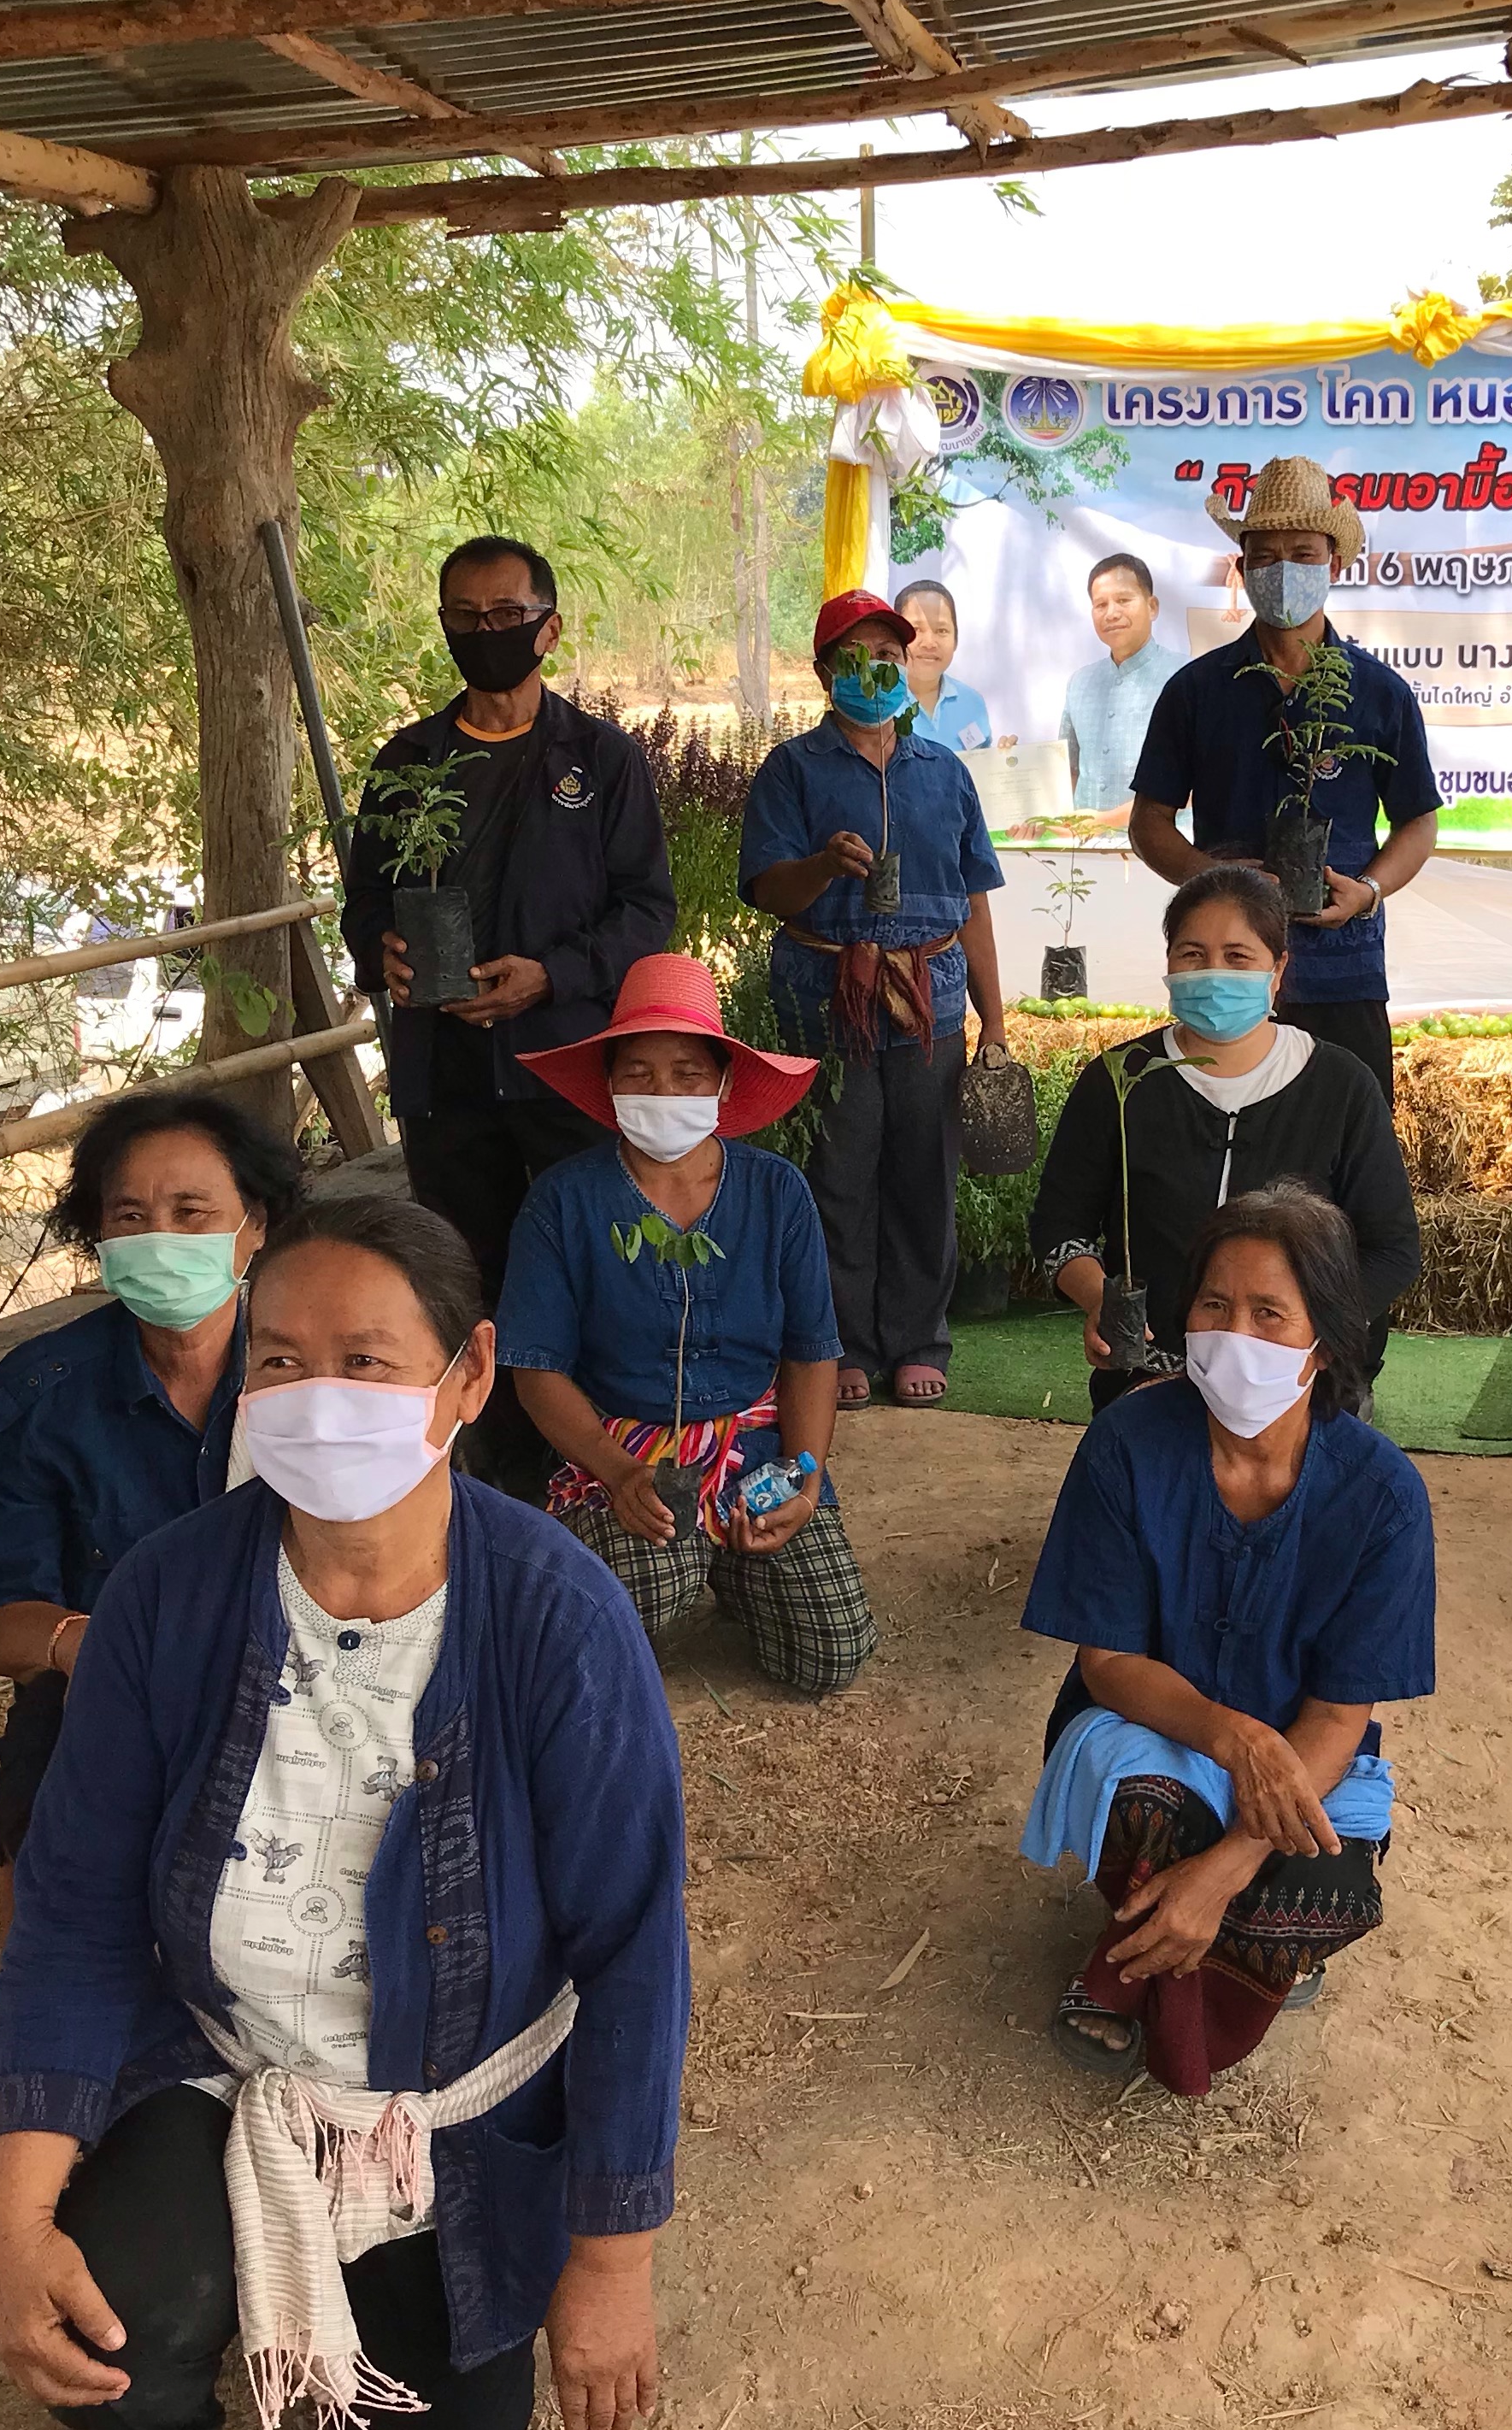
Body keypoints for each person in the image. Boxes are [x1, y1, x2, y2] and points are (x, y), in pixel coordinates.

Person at [0, 1195, 685, 2430]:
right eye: (282, 1361)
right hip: (226, 2059)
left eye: (368, 1363)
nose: (317, 1398)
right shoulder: (164, 1597)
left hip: (453, 2116)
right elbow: (69, 1910)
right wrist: (12, 2211)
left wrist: (613, 2257)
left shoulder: (558, 1616)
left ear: (468, 1375)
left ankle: (379, 2276)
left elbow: (636, 1952)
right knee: (109, 2312)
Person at [1017, 1185, 1434, 2098]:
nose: (1232, 1333)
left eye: (1268, 1313)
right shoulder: (1126, 1444)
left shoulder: (1383, 1496)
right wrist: (1234, 1737)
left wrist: (1228, 1867)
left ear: (1324, 1340)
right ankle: (1172, 1979)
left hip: (1307, 1756)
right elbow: (1110, 1663)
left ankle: (1154, 1955)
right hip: (1151, 1728)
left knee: (1322, 1887)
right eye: (1214, 1304)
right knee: (1152, 1807)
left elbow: (1336, 1711)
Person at [342, 533, 674, 1487]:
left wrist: (555, 977)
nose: (485, 634)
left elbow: (649, 911)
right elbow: (364, 904)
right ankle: (487, 1482)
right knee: (461, 1275)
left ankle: (606, 1475)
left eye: (506, 617)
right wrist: (386, 953)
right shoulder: (409, 764)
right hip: (444, 1077)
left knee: (584, 1264)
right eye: (465, 619)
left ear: (549, 628)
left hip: (565, 1066)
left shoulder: (601, 761)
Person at [0, 1086, 303, 1943]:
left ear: (253, 1226)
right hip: (105, 1688)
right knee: (48, 1805)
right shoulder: (30, 1402)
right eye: (131, 1216)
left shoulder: (316, 1375)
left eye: (192, 1213)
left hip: (304, 1674)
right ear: (98, 1240)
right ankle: (43, 1996)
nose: (160, 1241)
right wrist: (91, 1647)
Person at [496, 952, 879, 1697]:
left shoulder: (777, 1192)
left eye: (687, 1072)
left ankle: (736, 1569)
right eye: (636, 1072)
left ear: (724, 1083)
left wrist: (803, 1477)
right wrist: (618, 1472)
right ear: (608, 1086)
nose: (662, 1091)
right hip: (626, 1449)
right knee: (610, 1618)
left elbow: (811, 1352)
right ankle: (685, 1558)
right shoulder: (563, 1201)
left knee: (830, 1655)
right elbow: (535, 1367)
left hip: (757, 1450)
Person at [739, 586, 1011, 1411]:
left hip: (930, 1003)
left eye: (888, 656)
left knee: (926, 1174)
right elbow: (767, 890)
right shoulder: (792, 770)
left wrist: (994, 1021)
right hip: (826, 1005)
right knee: (839, 1173)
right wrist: (822, 865)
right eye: (855, 659)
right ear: (826, 673)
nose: (876, 671)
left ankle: (919, 1339)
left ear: (908, 664)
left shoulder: (946, 775)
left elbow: (976, 904)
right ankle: (847, 1345)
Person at [1031, 866, 1419, 1404]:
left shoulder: (1340, 1084)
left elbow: (1393, 1249)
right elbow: (1058, 1226)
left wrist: (1304, 1334)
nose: (1213, 973)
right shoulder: (1120, 1080)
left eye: (1238, 957)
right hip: (1149, 1376)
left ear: (1277, 969)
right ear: (1168, 963)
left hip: (1306, 1385)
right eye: (1192, 954)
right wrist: (1101, 1298)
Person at [1128, 457, 1444, 1098]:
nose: (1284, 570)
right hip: (1230, 971)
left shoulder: (1379, 693)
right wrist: (1218, 879)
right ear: (1242, 571)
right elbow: (1148, 825)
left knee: (1346, 1150)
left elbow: (1419, 821)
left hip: (1343, 968)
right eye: (1266, 556)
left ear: (1335, 565)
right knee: (1229, 1144)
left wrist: (1370, 892)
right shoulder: (1196, 691)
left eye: (1303, 553)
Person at [1059, 551, 1182, 816]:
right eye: (1100, 605)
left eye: (1123, 600)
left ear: (1152, 607)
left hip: (1161, 850)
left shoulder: (1186, 676)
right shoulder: (1079, 683)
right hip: (1084, 850)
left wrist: (1107, 820)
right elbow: (1067, 770)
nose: (1111, 613)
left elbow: (1200, 781)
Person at [896, 579, 998, 751]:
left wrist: (1007, 760)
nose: (929, 643)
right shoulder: (878, 705)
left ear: (956, 640)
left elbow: (981, 769)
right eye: (916, 629)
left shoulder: (972, 702)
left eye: (941, 631)